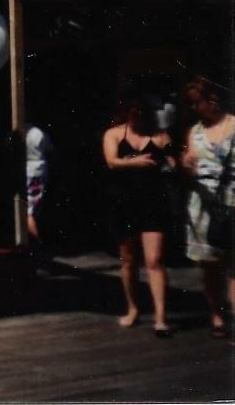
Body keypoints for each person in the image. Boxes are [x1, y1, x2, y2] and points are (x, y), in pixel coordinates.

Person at [102, 86, 176, 337]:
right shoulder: (113, 134)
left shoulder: (159, 135)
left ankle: (161, 317)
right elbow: (111, 161)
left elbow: (173, 163)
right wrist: (136, 161)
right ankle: (133, 308)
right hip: (124, 203)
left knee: (154, 260)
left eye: (141, 113)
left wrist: (172, 156)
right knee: (129, 260)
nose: (137, 117)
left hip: (154, 203)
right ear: (126, 113)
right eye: (133, 113)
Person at [181, 75, 235, 339]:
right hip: (204, 203)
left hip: (232, 199)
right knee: (211, 265)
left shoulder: (234, 125)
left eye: (195, 103)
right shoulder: (195, 131)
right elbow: (190, 163)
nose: (193, 108)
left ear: (211, 100)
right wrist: (186, 164)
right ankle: (216, 314)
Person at [24, 124, 54, 242]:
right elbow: (50, 149)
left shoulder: (21, 131)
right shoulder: (39, 132)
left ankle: (36, 242)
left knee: (29, 210)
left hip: (29, 170)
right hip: (38, 170)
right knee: (31, 210)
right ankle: (37, 241)